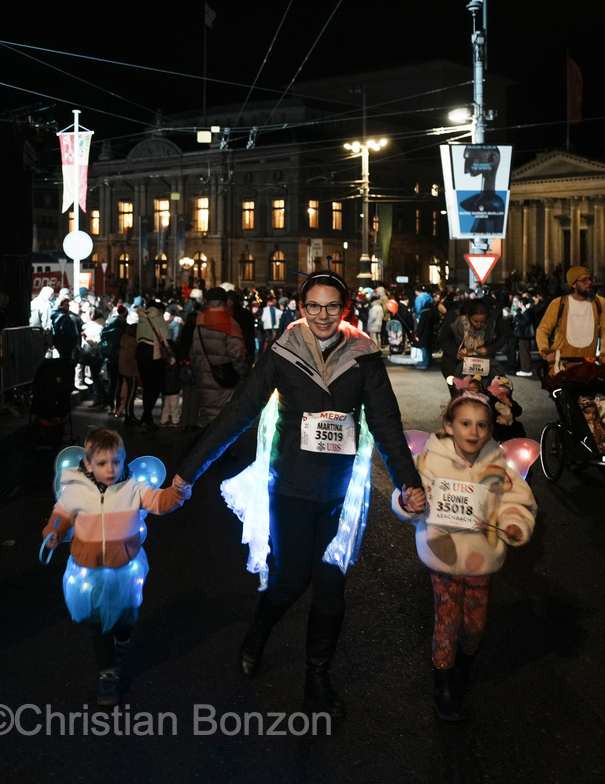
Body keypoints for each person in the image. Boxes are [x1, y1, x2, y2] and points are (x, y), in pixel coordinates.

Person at [174, 271, 426, 719]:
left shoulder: (364, 357)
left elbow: (386, 424)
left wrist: (409, 482)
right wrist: (186, 474)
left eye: (332, 306)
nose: (323, 315)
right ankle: (258, 631)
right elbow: (237, 415)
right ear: (301, 307)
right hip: (289, 486)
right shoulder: (283, 354)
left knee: (331, 587)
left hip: (339, 493)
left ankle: (317, 677)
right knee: (290, 581)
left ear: (345, 308)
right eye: (314, 306)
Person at [394, 392, 535, 720]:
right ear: (449, 425)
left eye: (482, 425)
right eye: (465, 424)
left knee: (474, 625)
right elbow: (411, 498)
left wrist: (513, 524)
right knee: (447, 621)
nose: (473, 432)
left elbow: (517, 501)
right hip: (442, 556)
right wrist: (407, 503)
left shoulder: (498, 465)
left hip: (481, 559)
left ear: (490, 428)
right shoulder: (430, 462)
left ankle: (464, 667)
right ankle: (442, 683)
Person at [42, 429, 190, 707]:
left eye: (116, 462)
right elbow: (62, 514)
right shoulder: (75, 490)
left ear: (123, 461)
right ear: (87, 464)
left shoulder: (133, 487)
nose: (110, 469)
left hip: (125, 570)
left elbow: (160, 502)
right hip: (89, 571)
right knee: (98, 623)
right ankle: (107, 674)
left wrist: (178, 493)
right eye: (102, 463)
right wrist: (54, 531)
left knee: (126, 618)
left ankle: (122, 640)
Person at [536, 266, 605, 375]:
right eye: (584, 280)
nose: (589, 283)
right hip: (562, 368)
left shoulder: (600, 303)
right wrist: (546, 351)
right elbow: (543, 330)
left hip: (587, 368)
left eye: (590, 279)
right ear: (573, 284)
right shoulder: (559, 303)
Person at [188, 287, 248, 428]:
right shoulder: (229, 322)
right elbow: (237, 355)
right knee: (223, 420)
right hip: (224, 379)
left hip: (203, 377)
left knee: (208, 417)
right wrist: (244, 373)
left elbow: (193, 351)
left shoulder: (199, 321)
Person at [438, 300, 506, 387]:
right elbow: (443, 340)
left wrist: (489, 349)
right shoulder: (454, 320)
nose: (479, 325)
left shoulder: (494, 319)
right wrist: (456, 353)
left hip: (482, 364)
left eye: (483, 322)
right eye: (475, 321)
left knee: (482, 390)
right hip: (456, 364)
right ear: (468, 316)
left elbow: (506, 335)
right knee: (458, 392)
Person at [135, 298, 174, 431]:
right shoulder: (158, 318)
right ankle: (146, 417)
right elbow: (167, 338)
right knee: (155, 387)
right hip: (154, 355)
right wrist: (171, 354)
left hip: (140, 354)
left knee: (147, 386)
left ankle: (147, 418)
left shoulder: (141, 318)